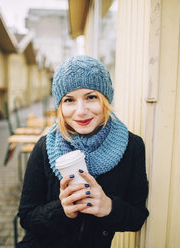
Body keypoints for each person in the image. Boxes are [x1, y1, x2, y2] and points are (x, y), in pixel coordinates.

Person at [17, 55, 149, 248]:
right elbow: (27, 218)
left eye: (91, 97)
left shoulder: (132, 147)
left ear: (105, 99)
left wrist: (108, 207)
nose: (80, 111)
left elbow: (137, 217)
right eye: (69, 100)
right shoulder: (45, 147)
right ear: (60, 106)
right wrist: (62, 210)